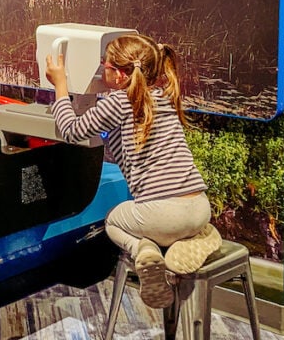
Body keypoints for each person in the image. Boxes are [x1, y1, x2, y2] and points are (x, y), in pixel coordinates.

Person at [45, 33, 220, 308]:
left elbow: (72, 130)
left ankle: (145, 250)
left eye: (105, 63)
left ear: (119, 75)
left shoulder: (118, 102)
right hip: (199, 208)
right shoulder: (163, 96)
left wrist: (61, 87)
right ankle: (199, 237)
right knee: (185, 223)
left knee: (113, 221)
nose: (102, 66)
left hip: (160, 216)